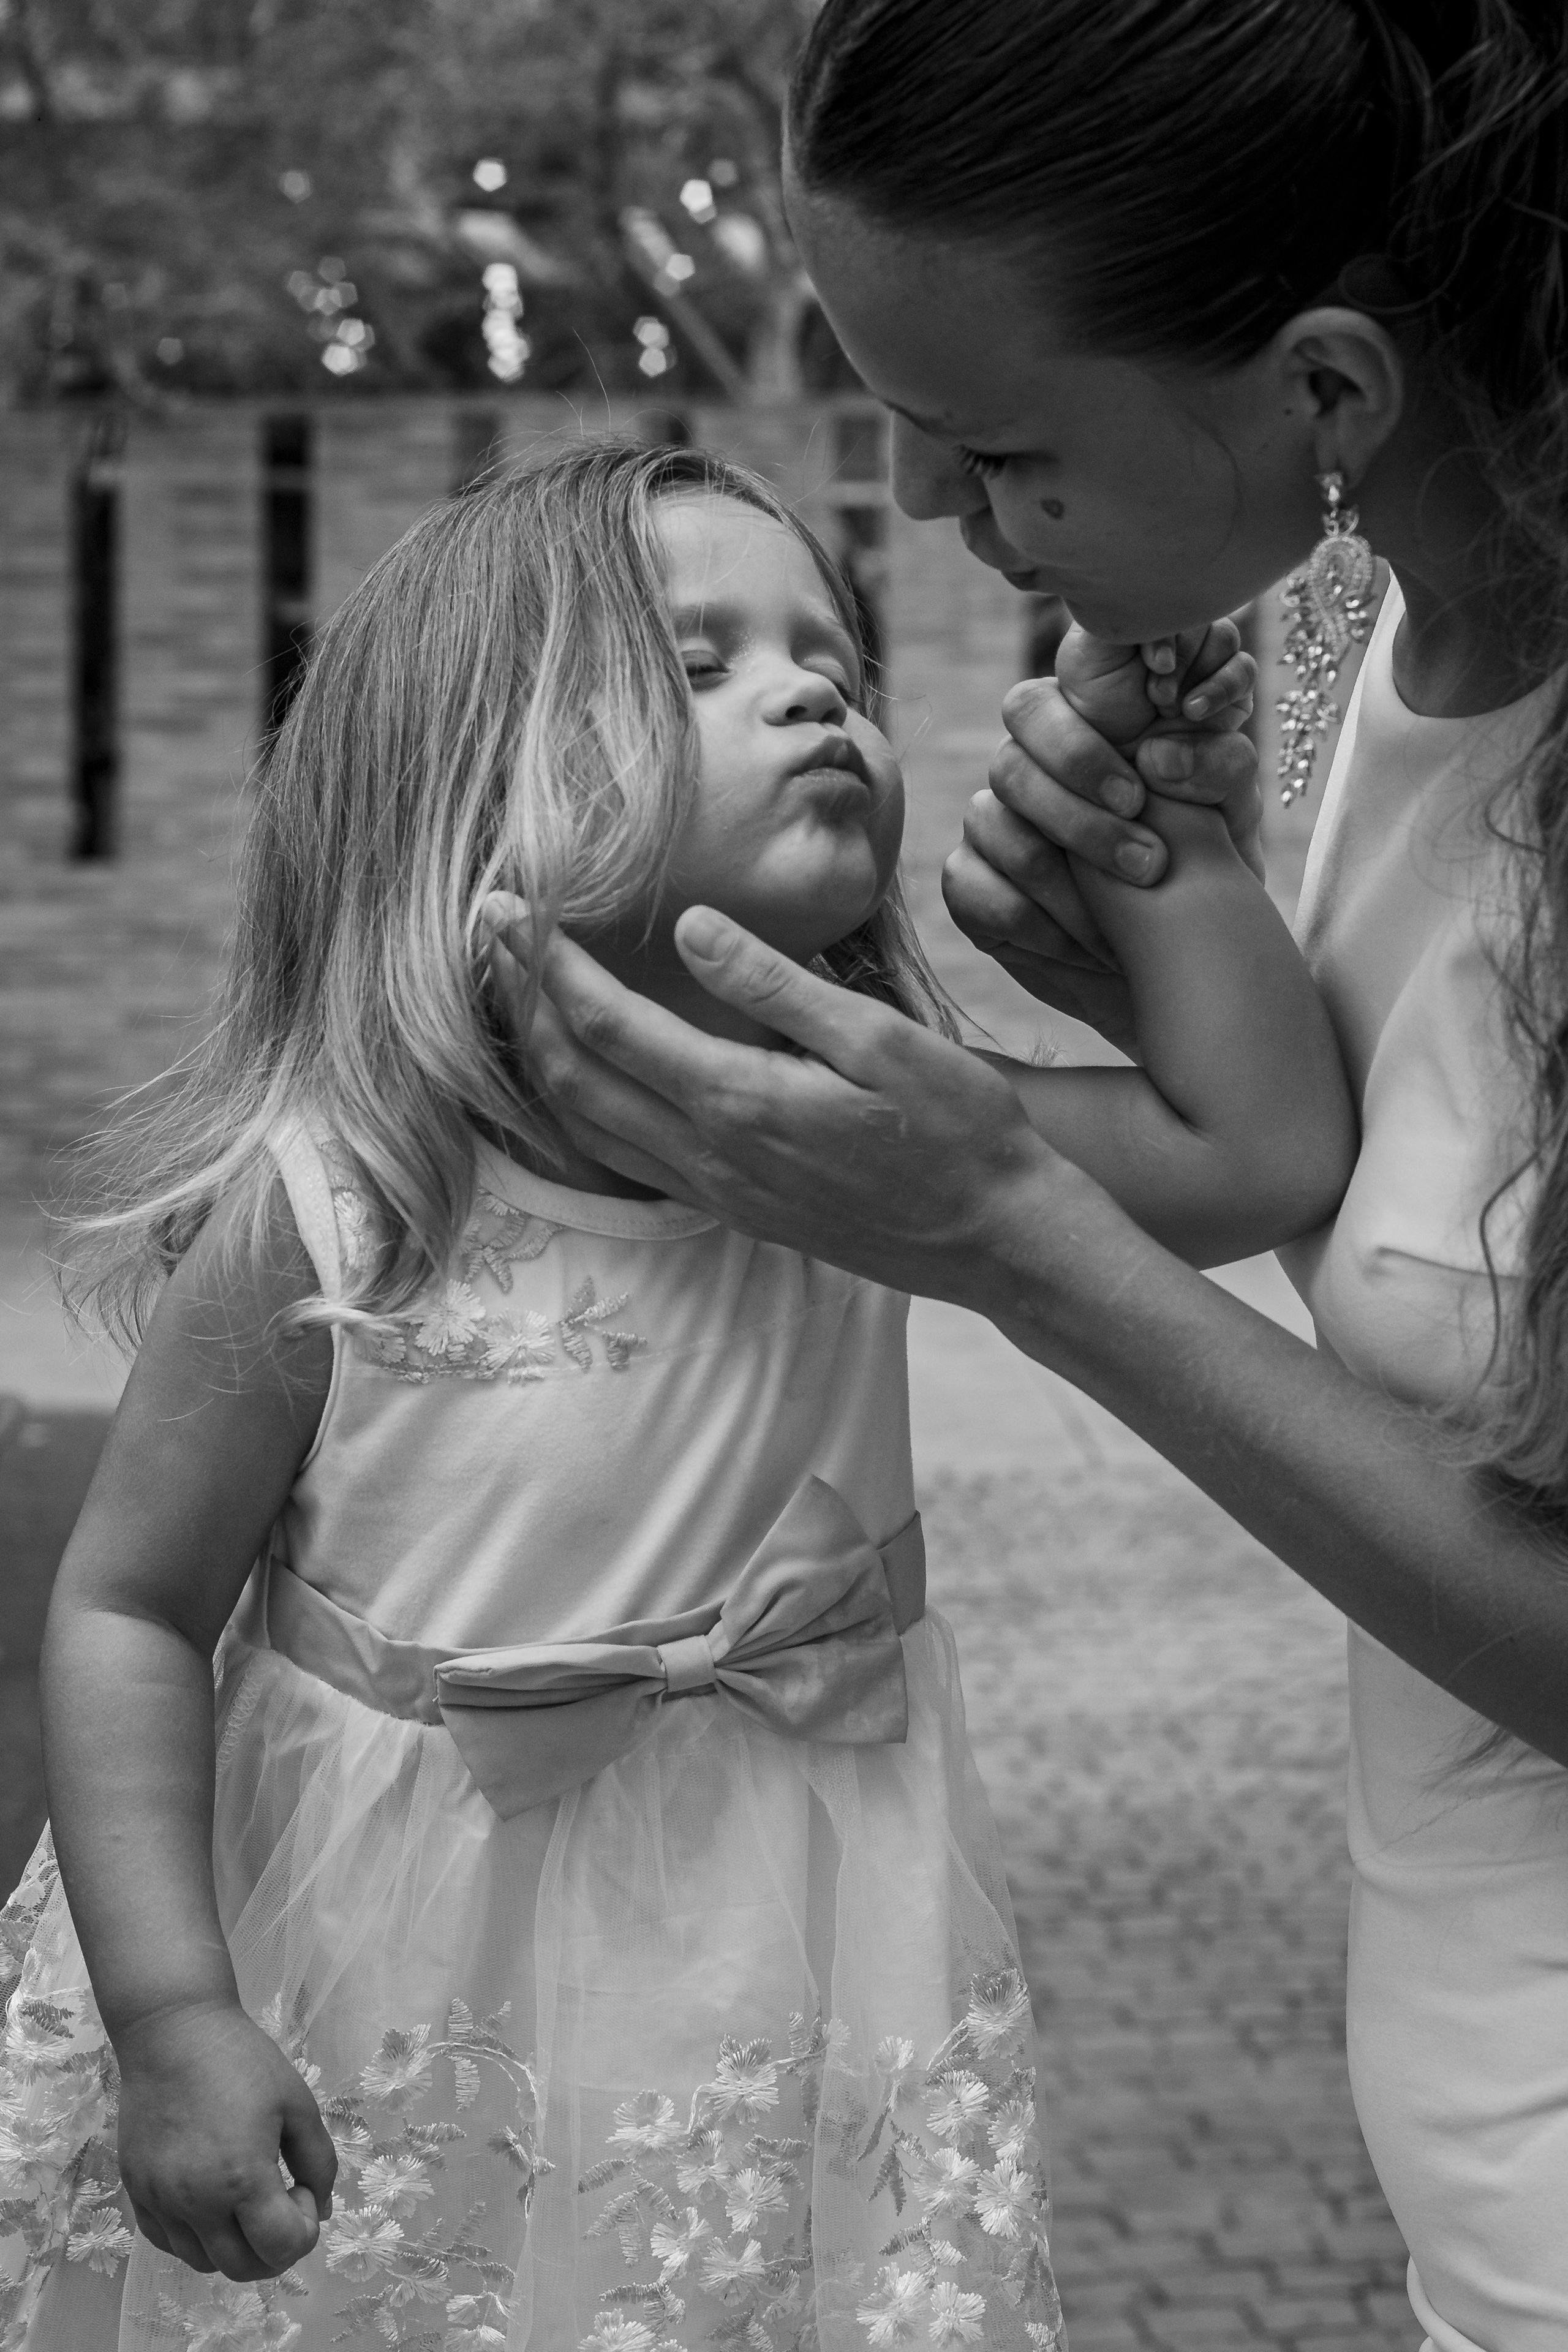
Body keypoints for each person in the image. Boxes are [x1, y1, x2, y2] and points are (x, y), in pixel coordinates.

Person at [0, 439, 1348, 2352]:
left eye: (834, 659)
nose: (814, 689)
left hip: (784, 1941)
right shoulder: (344, 1206)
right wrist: (172, 2013)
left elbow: (1261, 1155)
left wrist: (1175, 840)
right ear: (473, 780)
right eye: (698, 663)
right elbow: (130, 1607)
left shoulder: (877, 1142)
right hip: (394, 1968)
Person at [489, 9, 1568, 2351]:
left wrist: (1012, 1240)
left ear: (1329, 391)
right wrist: (1172, 941)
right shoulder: (1361, 646)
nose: (909, 511)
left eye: (989, 445)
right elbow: (1379, 1194)